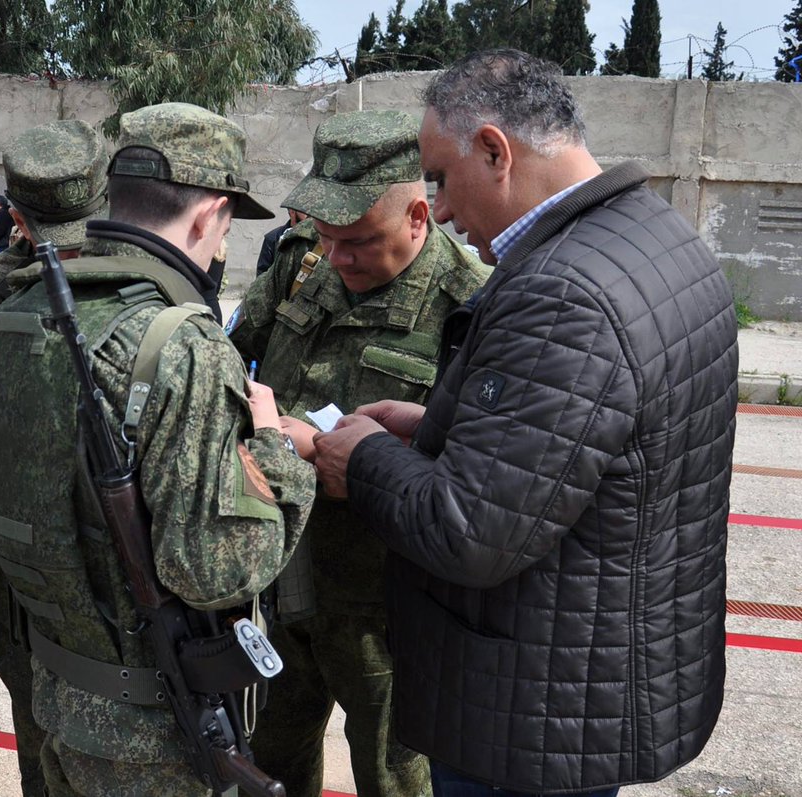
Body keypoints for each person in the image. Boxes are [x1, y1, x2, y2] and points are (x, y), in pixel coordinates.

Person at [311, 49, 737, 797]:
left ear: (494, 151)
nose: (437, 209)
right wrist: (440, 429)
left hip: (534, 716)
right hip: (599, 677)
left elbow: (468, 529)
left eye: (440, 179)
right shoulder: (654, 237)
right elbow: (593, 445)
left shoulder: (563, 290)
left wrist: (367, 458)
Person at [0, 102, 315, 795]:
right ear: (207, 215)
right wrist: (278, 452)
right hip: (151, 730)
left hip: (58, 690)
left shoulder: (21, 306)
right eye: (224, 228)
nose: (220, 247)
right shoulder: (181, 341)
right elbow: (216, 571)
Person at [228, 110, 491, 797]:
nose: (338, 258)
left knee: (395, 776)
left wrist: (346, 461)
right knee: (266, 762)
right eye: (328, 237)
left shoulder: (470, 305)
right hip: (282, 584)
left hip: (387, 611)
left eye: (360, 242)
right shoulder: (299, 265)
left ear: (417, 217)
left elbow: (480, 476)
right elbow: (226, 359)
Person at [0, 117, 109, 797]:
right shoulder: (134, 276)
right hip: (114, 574)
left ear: (14, 211)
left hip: (23, 571)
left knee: (40, 741)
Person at [0, 119, 109, 370]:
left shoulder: (136, 268)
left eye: (91, 229)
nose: (78, 253)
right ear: (19, 222)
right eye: (61, 243)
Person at [254, 208, 307, 275]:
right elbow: (262, 274)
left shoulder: (320, 238)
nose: (311, 213)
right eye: (306, 210)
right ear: (292, 211)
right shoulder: (273, 238)